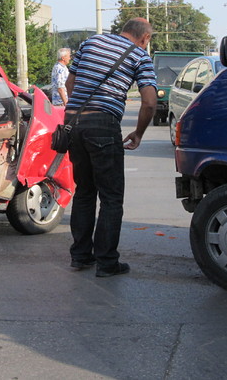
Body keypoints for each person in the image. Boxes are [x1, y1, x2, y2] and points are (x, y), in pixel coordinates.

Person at [64, 17, 157, 278]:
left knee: (84, 191)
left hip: (73, 122)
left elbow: (70, 84)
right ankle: (107, 263)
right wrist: (138, 133)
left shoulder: (90, 42)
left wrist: (81, 112)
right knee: (111, 197)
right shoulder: (139, 55)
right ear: (145, 38)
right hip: (103, 124)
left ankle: (81, 256)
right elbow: (149, 102)